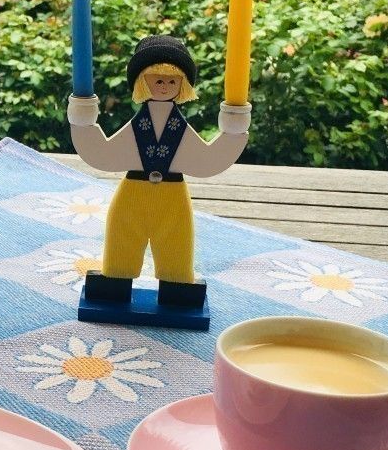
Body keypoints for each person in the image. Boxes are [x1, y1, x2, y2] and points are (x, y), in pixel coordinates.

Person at [68, 34, 251, 309]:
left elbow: (209, 160)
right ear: (142, 81)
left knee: (176, 245)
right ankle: (114, 285)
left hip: (174, 196)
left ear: (183, 85)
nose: (165, 86)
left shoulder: (180, 129)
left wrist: (234, 130)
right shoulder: (136, 127)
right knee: (121, 239)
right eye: (157, 79)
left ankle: (176, 292)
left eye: (172, 80)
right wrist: (82, 120)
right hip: (132, 193)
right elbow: (102, 154)